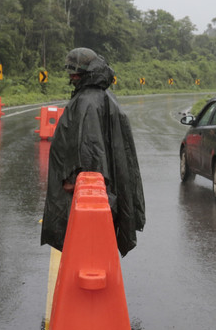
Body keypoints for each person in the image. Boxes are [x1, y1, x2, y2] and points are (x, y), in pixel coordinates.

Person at [41, 47, 145, 256]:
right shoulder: (105, 96)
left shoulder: (87, 102)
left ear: (79, 73)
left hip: (91, 197)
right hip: (103, 193)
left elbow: (88, 152)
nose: (71, 77)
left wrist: (74, 180)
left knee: (86, 248)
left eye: (72, 73)